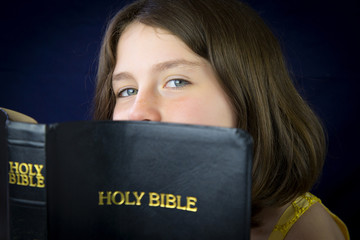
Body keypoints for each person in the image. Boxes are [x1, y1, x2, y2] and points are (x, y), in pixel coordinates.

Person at [93, 0, 350, 239]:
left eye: (176, 82)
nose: (138, 113)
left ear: (245, 94)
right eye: (127, 91)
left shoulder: (304, 228)